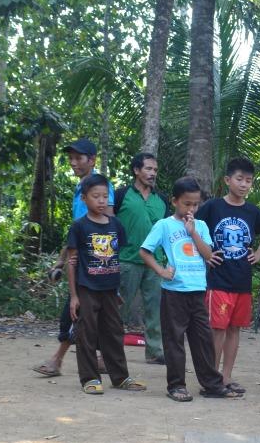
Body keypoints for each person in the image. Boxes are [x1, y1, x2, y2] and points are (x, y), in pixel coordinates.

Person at [140, 177, 242, 401]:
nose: (192, 208)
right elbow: (145, 251)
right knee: (174, 339)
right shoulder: (164, 225)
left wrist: (193, 231)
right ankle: (176, 386)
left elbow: (209, 256)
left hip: (198, 290)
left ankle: (212, 385)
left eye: (196, 204)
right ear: (175, 201)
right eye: (187, 203)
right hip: (174, 291)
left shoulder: (201, 226)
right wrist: (160, 271)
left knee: (202, 340)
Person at [32, 139, 113, 378]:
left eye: (79, 158)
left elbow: (106, 225)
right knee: (88, 312)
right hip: (81, 260)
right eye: (71, 158)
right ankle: (100, 359)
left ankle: (57, 360)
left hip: (92, 263)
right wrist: (61, 260)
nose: (73, 162)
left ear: (92, 160)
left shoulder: (99, 187)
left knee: (74, 310)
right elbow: (76, 231)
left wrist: (98, 262)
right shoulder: (81, 189)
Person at [196, 157, 260, 392]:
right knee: (217, 329)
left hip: (242, 280)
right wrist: (206, 255)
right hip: (218, 279)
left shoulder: (253, 211)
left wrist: (259, 254)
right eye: (239, 179)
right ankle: (211, 379)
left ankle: (226, 377)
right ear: (228, 180)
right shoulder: (213, 207)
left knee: (234, 329)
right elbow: (193, 229)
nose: (244, 184)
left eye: (248, 181)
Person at [66, 174, 146, 395]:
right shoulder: (79, 227)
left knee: (114, 332)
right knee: (87, 333)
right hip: (87, 288)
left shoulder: (116, 225)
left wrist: (118, 289)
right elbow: (71, 263)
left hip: (110, 289)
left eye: (104, 196)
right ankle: (90, 378)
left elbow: (114, 258)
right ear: (84, 198)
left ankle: (120, 377)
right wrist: (74, 296)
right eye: (95, 196)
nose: (101, 201)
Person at [114, 152, 169, 364]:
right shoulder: (121, 195)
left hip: (155, 263)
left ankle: (155, 352)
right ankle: (112, 351)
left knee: (155, 309)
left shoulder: (161, 200)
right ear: (136, 170)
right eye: (148, 168)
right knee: (120, 309)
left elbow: (166, 231)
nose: (152, 173)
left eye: (155, 170)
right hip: (127, 260)